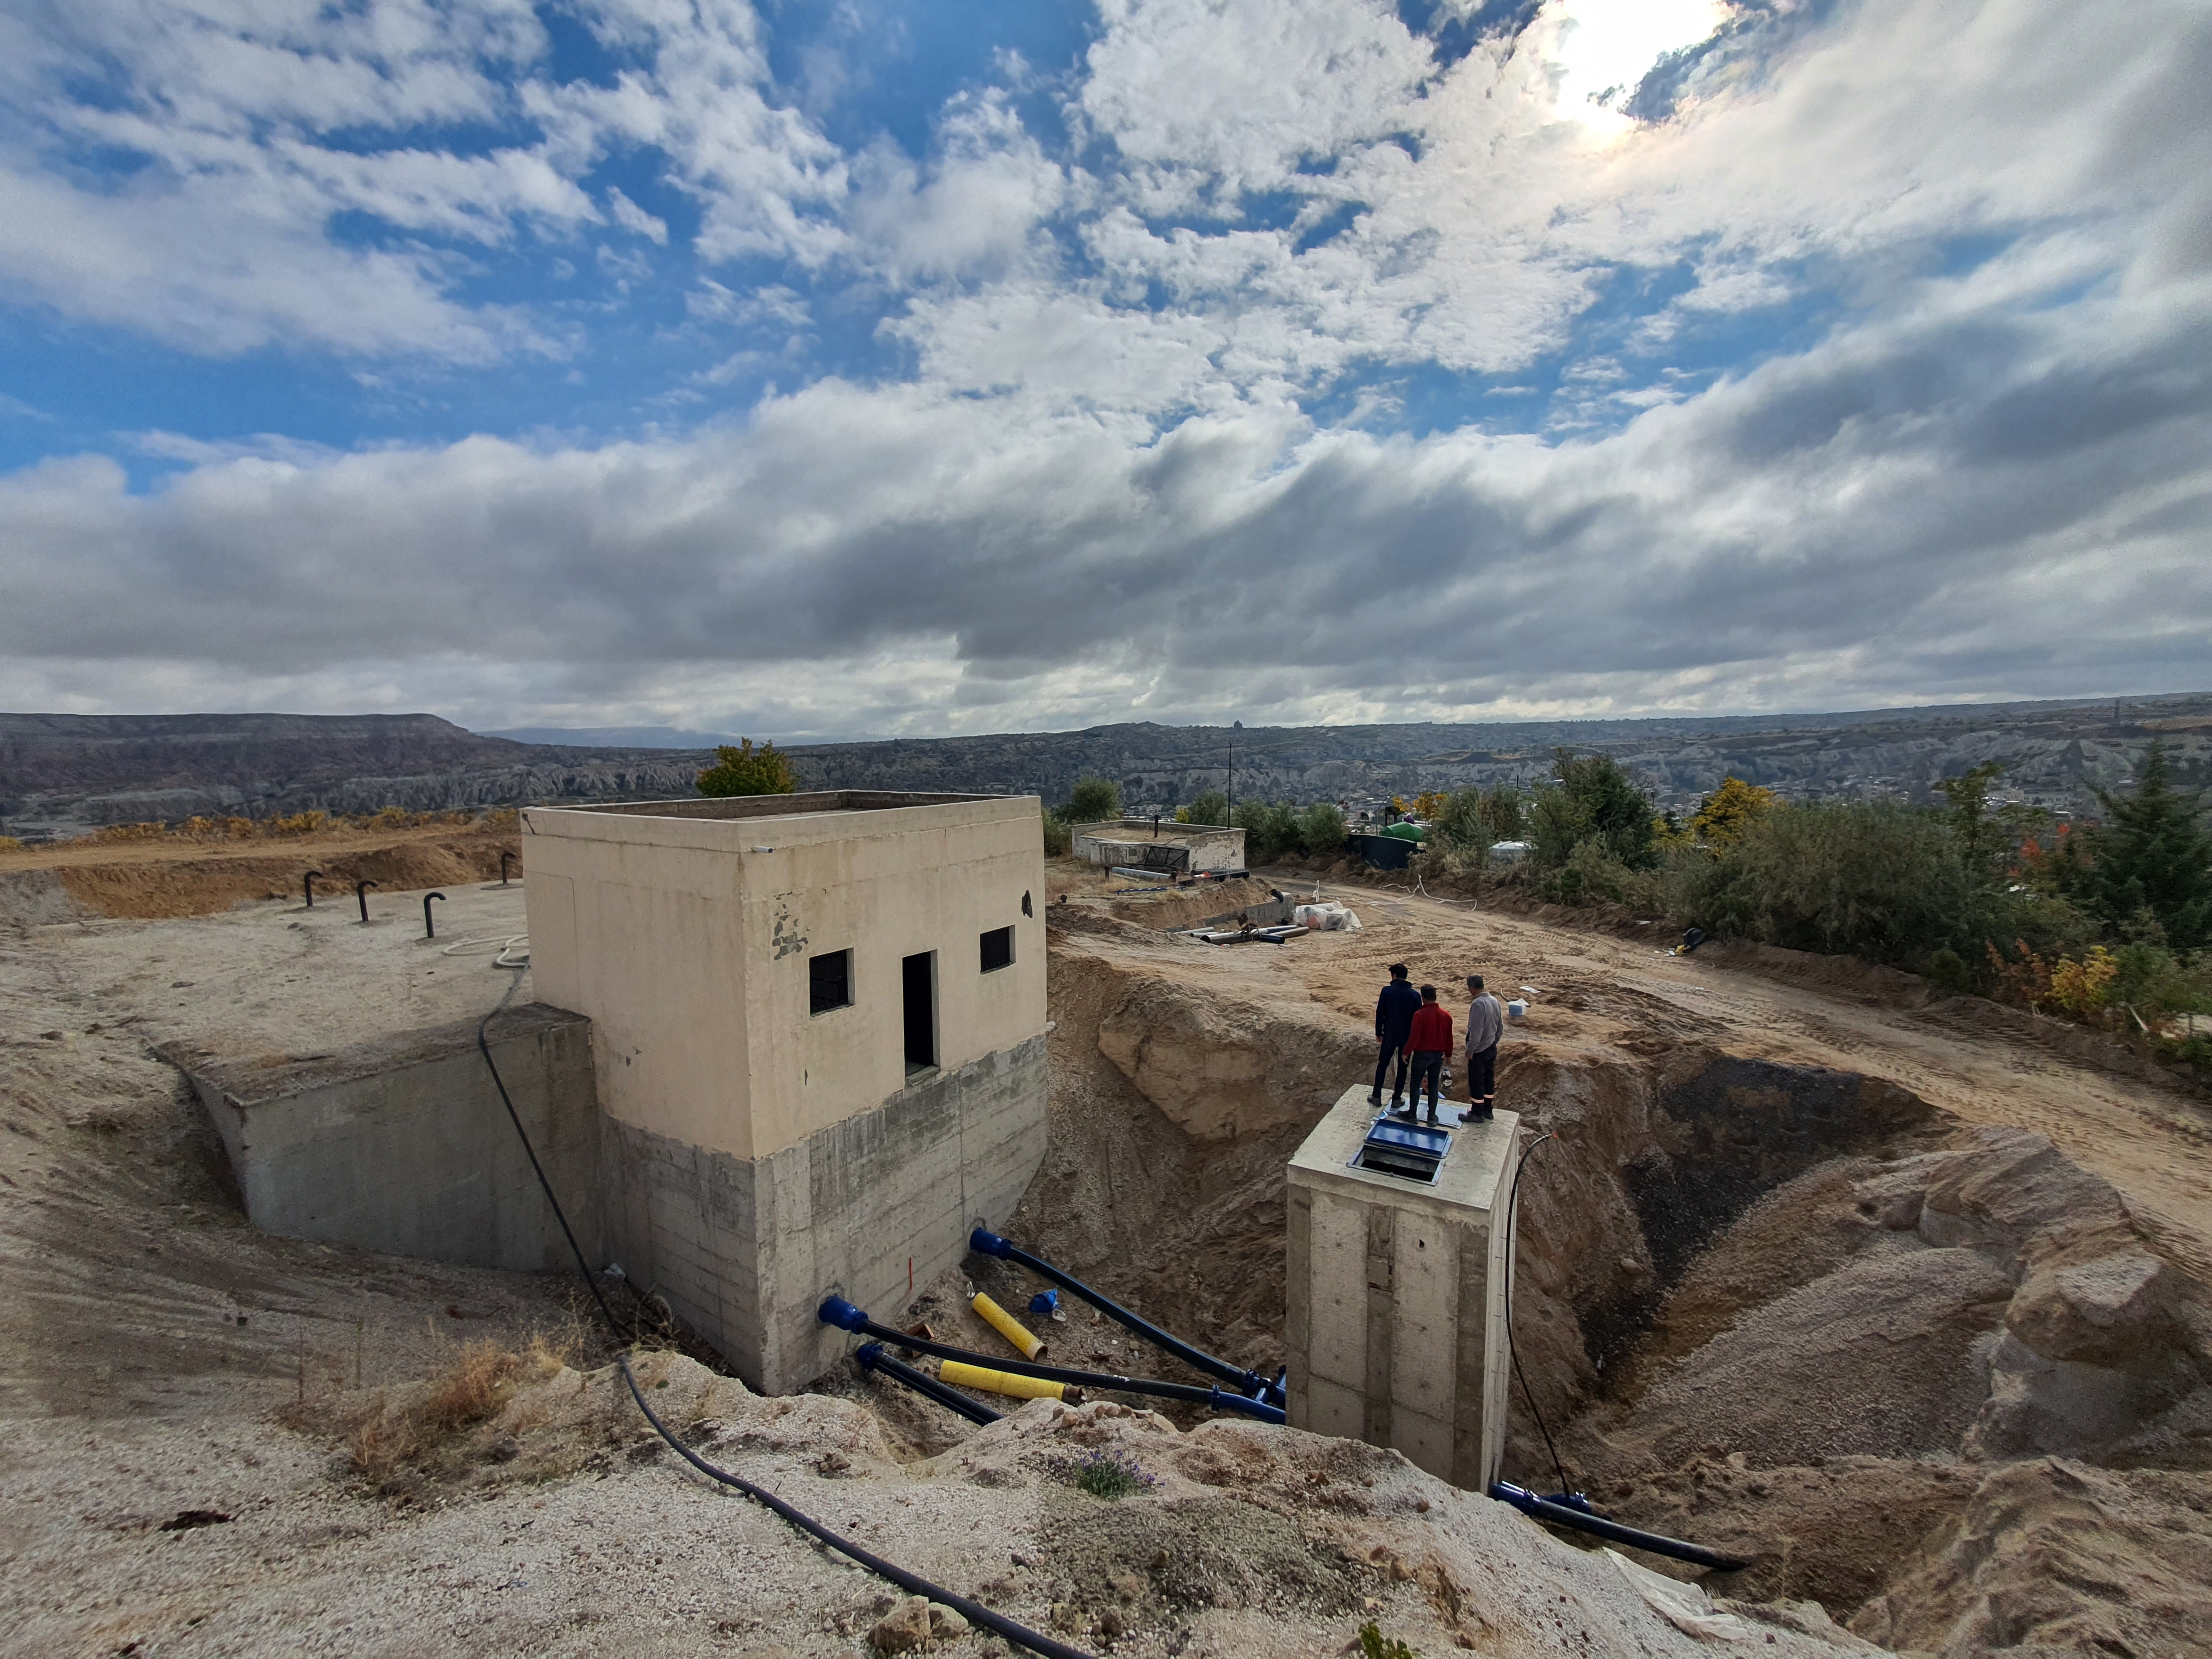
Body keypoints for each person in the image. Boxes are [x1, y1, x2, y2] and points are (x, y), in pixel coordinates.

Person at [1370, 963, 1420, 1108]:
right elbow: (1417, 1020)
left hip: (1390, 1035)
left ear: (1394, 976)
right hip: (1407, 1037)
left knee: (1383, 1065)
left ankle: (1377, 1096)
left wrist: (1379, 1033)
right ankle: (1397, 1098)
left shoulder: (1387, 991)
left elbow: (1380, 1014)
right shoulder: (1415, 995)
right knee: (1403, 1068)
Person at [1403, 984, 1454, 1123]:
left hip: (1422, 1055)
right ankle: (1432, 1117)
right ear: (1436, 997)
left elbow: (1415, 1037)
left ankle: (1412, 1114)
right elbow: (1449, 1038)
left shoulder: (1419, 1015)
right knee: (1433, 1085)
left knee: (1415, 1084)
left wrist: (1406, 1052)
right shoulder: (1446, 1016)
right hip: (1438, 1056)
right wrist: (1448, 1054)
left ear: (1423, 998)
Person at [1464, 974, 1503, 1121]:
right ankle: (1488, 1110)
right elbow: (1500, 1026)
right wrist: (1493, 1041)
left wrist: (1470, 1050)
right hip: (1491, 1047)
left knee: (1477, 1082)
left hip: (1479, 1051)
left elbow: (1476, 1030)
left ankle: (1477, 1113)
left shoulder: (1478, 1004)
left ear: (1471, 987)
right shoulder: (1494, 1001)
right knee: (1489, 1080)